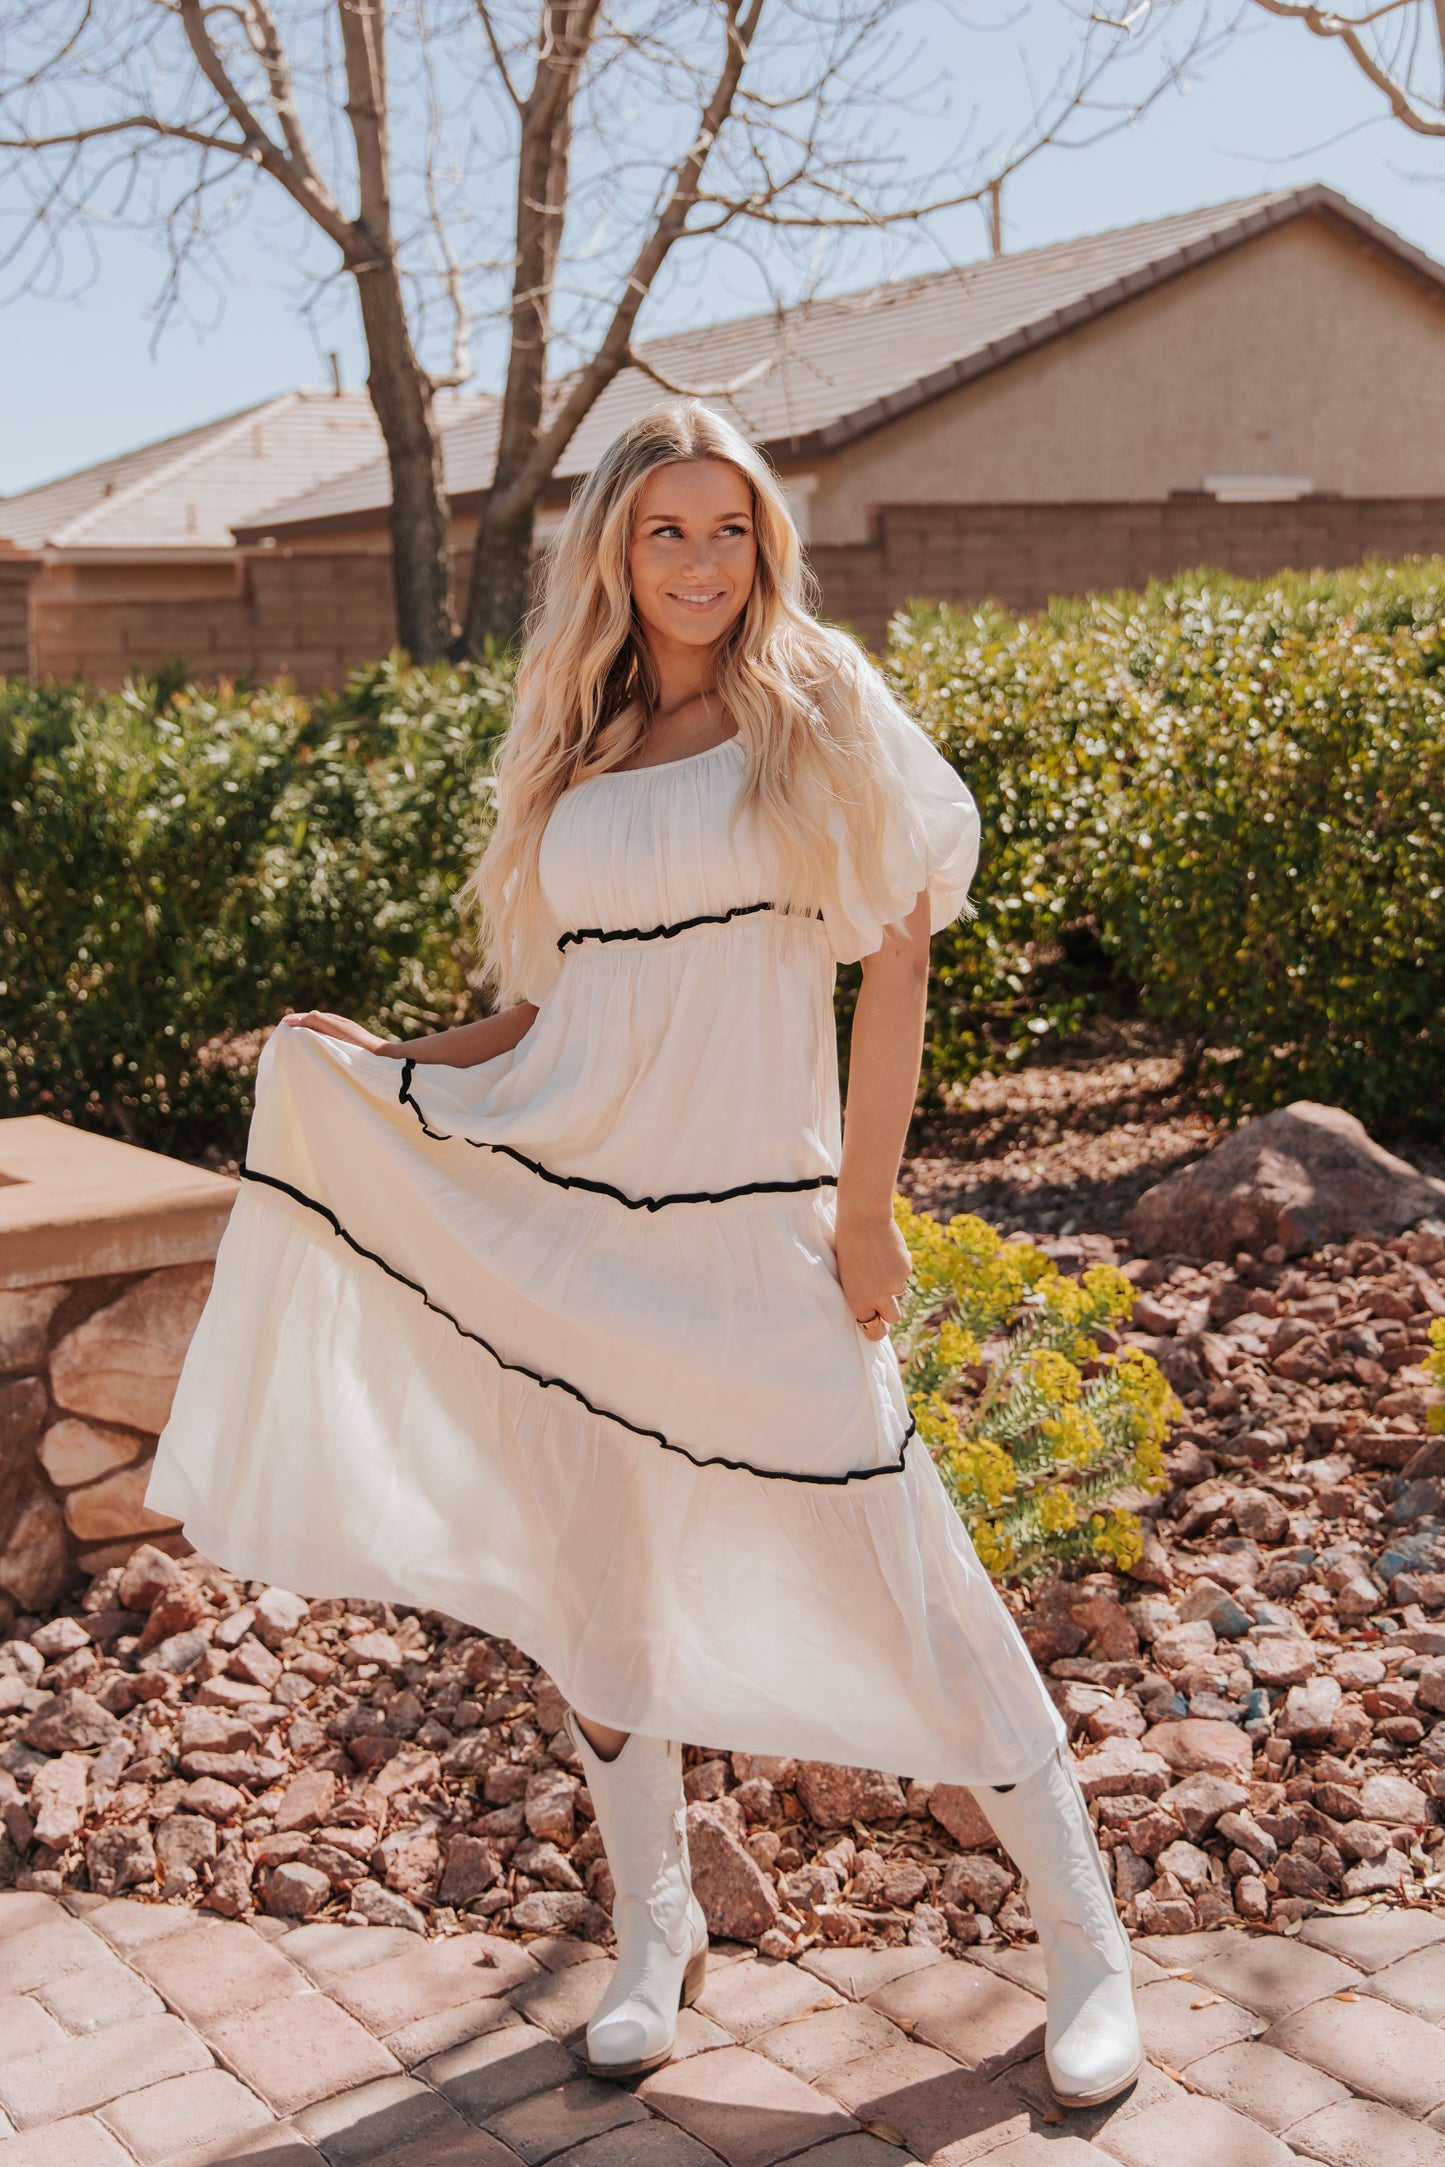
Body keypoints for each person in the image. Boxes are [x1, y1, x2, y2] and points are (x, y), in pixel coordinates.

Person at [148, 400, 1141, 2109]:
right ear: (614, 548)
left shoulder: (817, 708)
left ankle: (1085, 1947)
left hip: (756, 1219)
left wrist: (862, 1212)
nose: (700, 561)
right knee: (597, 1578)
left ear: (765, 546)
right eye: (666, 531)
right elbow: (554, 1015)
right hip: (576, 1220)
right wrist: (384, 1066)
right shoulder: (575, 747)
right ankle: (653, 1929)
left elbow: (892, 969)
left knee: (899, 1572)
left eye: (729, 529)